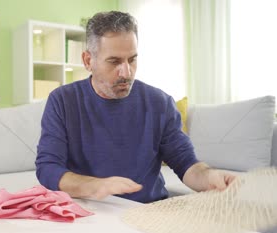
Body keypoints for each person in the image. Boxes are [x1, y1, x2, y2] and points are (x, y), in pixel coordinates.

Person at [35, 11, 235, 203]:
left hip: (148, 211)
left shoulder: (160, 103)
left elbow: (186, 164)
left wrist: (210, 177)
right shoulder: (62, 101)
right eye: (114, 61)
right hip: (92, 212)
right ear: (88, 61)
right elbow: (48, 168)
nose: (126, 72)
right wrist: (95, 186)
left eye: (132, 59)